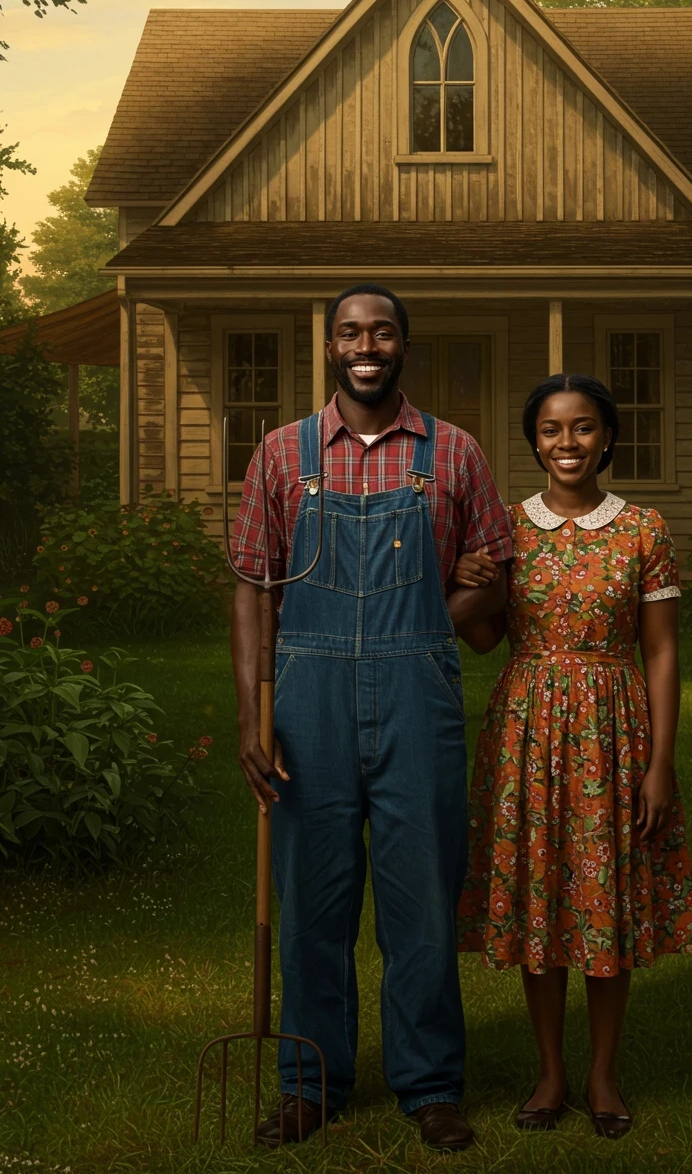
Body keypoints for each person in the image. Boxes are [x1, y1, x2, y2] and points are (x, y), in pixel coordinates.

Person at [230, 284, 513, 1150]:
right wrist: (250, 716)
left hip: (416, 700)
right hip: (305, 700)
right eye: (350, 332)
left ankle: (429, 1085)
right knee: (312, 900)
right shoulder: (281, 454)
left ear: (403, 348)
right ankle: (309, 1083)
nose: (366, 346)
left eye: (382, 332)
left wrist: (435, 618)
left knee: (421, 898)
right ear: (329, 347)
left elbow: (496, 577)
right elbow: (251, 589)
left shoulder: (453, 452)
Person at [455, 373, 692, 1138]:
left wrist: (660, 762)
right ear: (535, 443)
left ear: (607, 437)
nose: (568, 442)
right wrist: (460, 582)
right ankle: (549, 1071)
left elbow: (661, 652)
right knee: (540, 895)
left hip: (613, 730)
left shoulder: (642, 530)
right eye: (552, 429)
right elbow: (486, 637)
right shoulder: (507, 529)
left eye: (584, 427)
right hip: (526, 732)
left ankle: (601, 1073)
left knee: (603, 899)